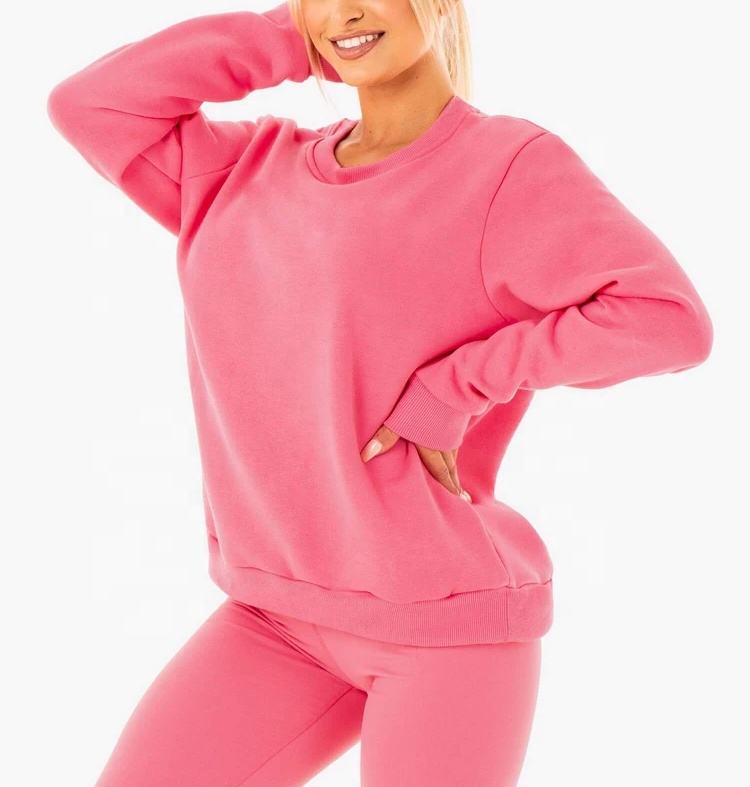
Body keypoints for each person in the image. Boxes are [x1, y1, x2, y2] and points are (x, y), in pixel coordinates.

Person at [46, 1, 713, 785]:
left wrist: (458, 384)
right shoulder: (239, 172)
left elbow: (667, 319)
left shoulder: (503, 167)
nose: (348, 8)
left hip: (444, 625)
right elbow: (89, 104)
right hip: (274, 614)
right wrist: (290, 38)